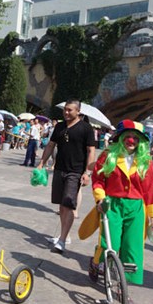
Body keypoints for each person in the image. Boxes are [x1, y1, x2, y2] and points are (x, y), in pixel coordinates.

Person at [86, 120, 153, 297]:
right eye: (127, 136)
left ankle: (122, 287)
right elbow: (98, 179)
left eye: (135, 138)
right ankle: (96, 262)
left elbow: (150, 189)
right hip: (112, 205)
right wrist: (100, 199)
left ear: (141, 141)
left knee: (132, 247)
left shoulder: (146, 161)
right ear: (120, 137)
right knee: (110, 243)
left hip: (136, 208)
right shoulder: (108, 155)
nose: (131, 140)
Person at [37, 99, 96, 254]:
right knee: (61, 206)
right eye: (65, 110)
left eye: (70, 110)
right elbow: (51, 145)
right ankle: (65, 235)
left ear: (78, 111)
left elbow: (91, 151)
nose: (66, 112)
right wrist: (42, 162)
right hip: (59, 169)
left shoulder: (86, 128)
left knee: (68, 205)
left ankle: (62, 240)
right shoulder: (60, 126)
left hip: (75, 171)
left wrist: (88, 173)